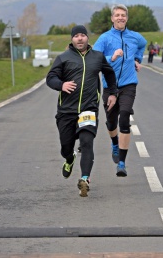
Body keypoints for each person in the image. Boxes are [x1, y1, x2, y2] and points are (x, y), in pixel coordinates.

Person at [46, 25, 118, 197]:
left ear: (87, 38)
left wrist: (113, 93)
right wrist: (61, 85)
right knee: (66, 146)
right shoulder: (63, 58)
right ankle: (69, 159)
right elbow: (50, 78)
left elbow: (109, 74)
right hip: (66, 110)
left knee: (87, 142)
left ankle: (85, 179)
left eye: (82, 35)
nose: (80, 38)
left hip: (89, 108)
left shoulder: (98, 57)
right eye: (76, 36)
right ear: (72, 39)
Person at [93, 4, 147, 177]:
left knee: (124, 116)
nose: (120, 18)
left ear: (127, 18)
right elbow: (94, 58)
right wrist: (111, 57)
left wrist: (137, 59)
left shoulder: (134, 37)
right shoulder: (105, 38)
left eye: (123, 15)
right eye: (117, 15)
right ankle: (114, 142)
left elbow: (143, 44)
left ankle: (122, 163)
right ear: (112, 18)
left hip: (129, 84)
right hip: (110, 85)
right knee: (110, 122)